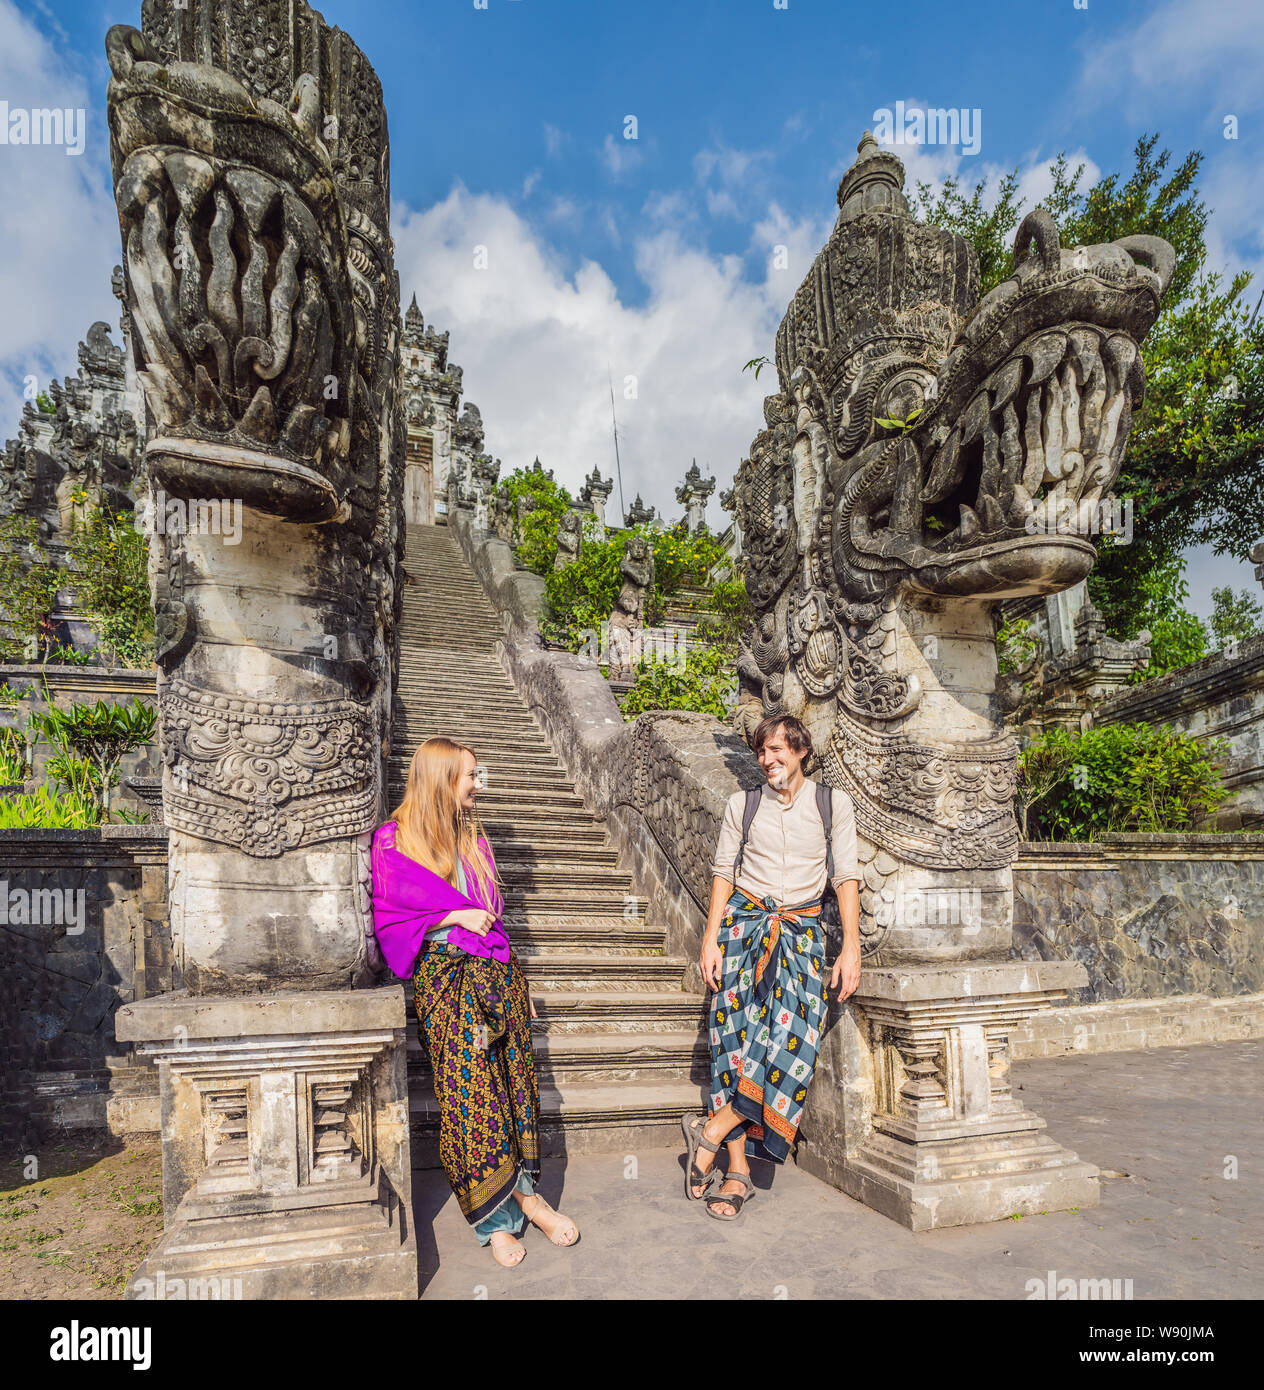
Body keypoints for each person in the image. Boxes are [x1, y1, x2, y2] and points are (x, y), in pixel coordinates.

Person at [370, 736, 579, 1267]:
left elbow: (495, 920)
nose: (478, 785)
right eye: (470, 775)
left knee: (514, 1089)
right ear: (443, 779)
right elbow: (389, 921)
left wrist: (519, 983)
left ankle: (530, 1200)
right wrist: (452, 917)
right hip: (446, 980)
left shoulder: (472, 839)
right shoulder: (394, 842)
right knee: (470, 1101)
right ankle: (495, 1221)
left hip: (496, 976)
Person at [682, 713, 862, 1220]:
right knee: (733, 1046)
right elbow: (723, 873)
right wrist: (709, 940)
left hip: (802, 935)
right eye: (762, 752)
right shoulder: (743, 804)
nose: (768, 760)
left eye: (778, 750)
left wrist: (851, 946)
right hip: (743, 932)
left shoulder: (832, 805)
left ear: (801, 751)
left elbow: (846, 876)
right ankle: (738, 1173)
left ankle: (711, 1128)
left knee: (795, 1043)